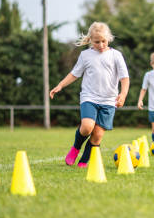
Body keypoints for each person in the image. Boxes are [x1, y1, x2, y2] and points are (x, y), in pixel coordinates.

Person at [50, 22, 129, 168]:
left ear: (109, 39)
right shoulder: (85, 55)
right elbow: (75, 74)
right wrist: (60, 85)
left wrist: (123, 94)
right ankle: (75, 148)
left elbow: (124, 78)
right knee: (87, 127)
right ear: (90, 40)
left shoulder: (116, 55)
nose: (101, 45)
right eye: (97, 42)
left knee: (97, 135)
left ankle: (83, 161)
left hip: (109, 100)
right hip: (89, 97)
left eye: (103, 41)